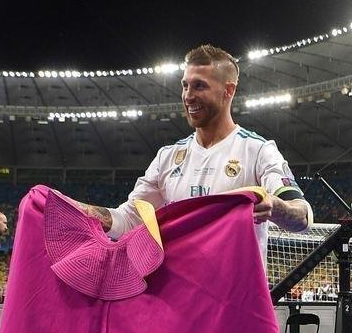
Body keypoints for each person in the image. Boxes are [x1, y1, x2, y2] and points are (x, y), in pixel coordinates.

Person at [71, 44, 312, 256]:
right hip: (181, 302)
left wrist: (275, 205)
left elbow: (303, 217)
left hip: (234, 302)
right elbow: (130, 219)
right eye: (185, 86)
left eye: (199, 86)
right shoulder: (167, 157)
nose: (188, 96)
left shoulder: (258, 150)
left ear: (228, 91)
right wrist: (78, 210)